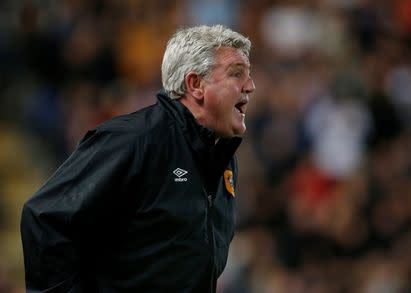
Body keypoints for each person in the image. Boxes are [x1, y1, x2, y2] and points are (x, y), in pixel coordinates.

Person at [20, 24, 255, 292]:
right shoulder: (133, 140)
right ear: (195, 84)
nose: (250, 86)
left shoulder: (222, 159)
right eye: (236, 74)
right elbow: (45, 216)